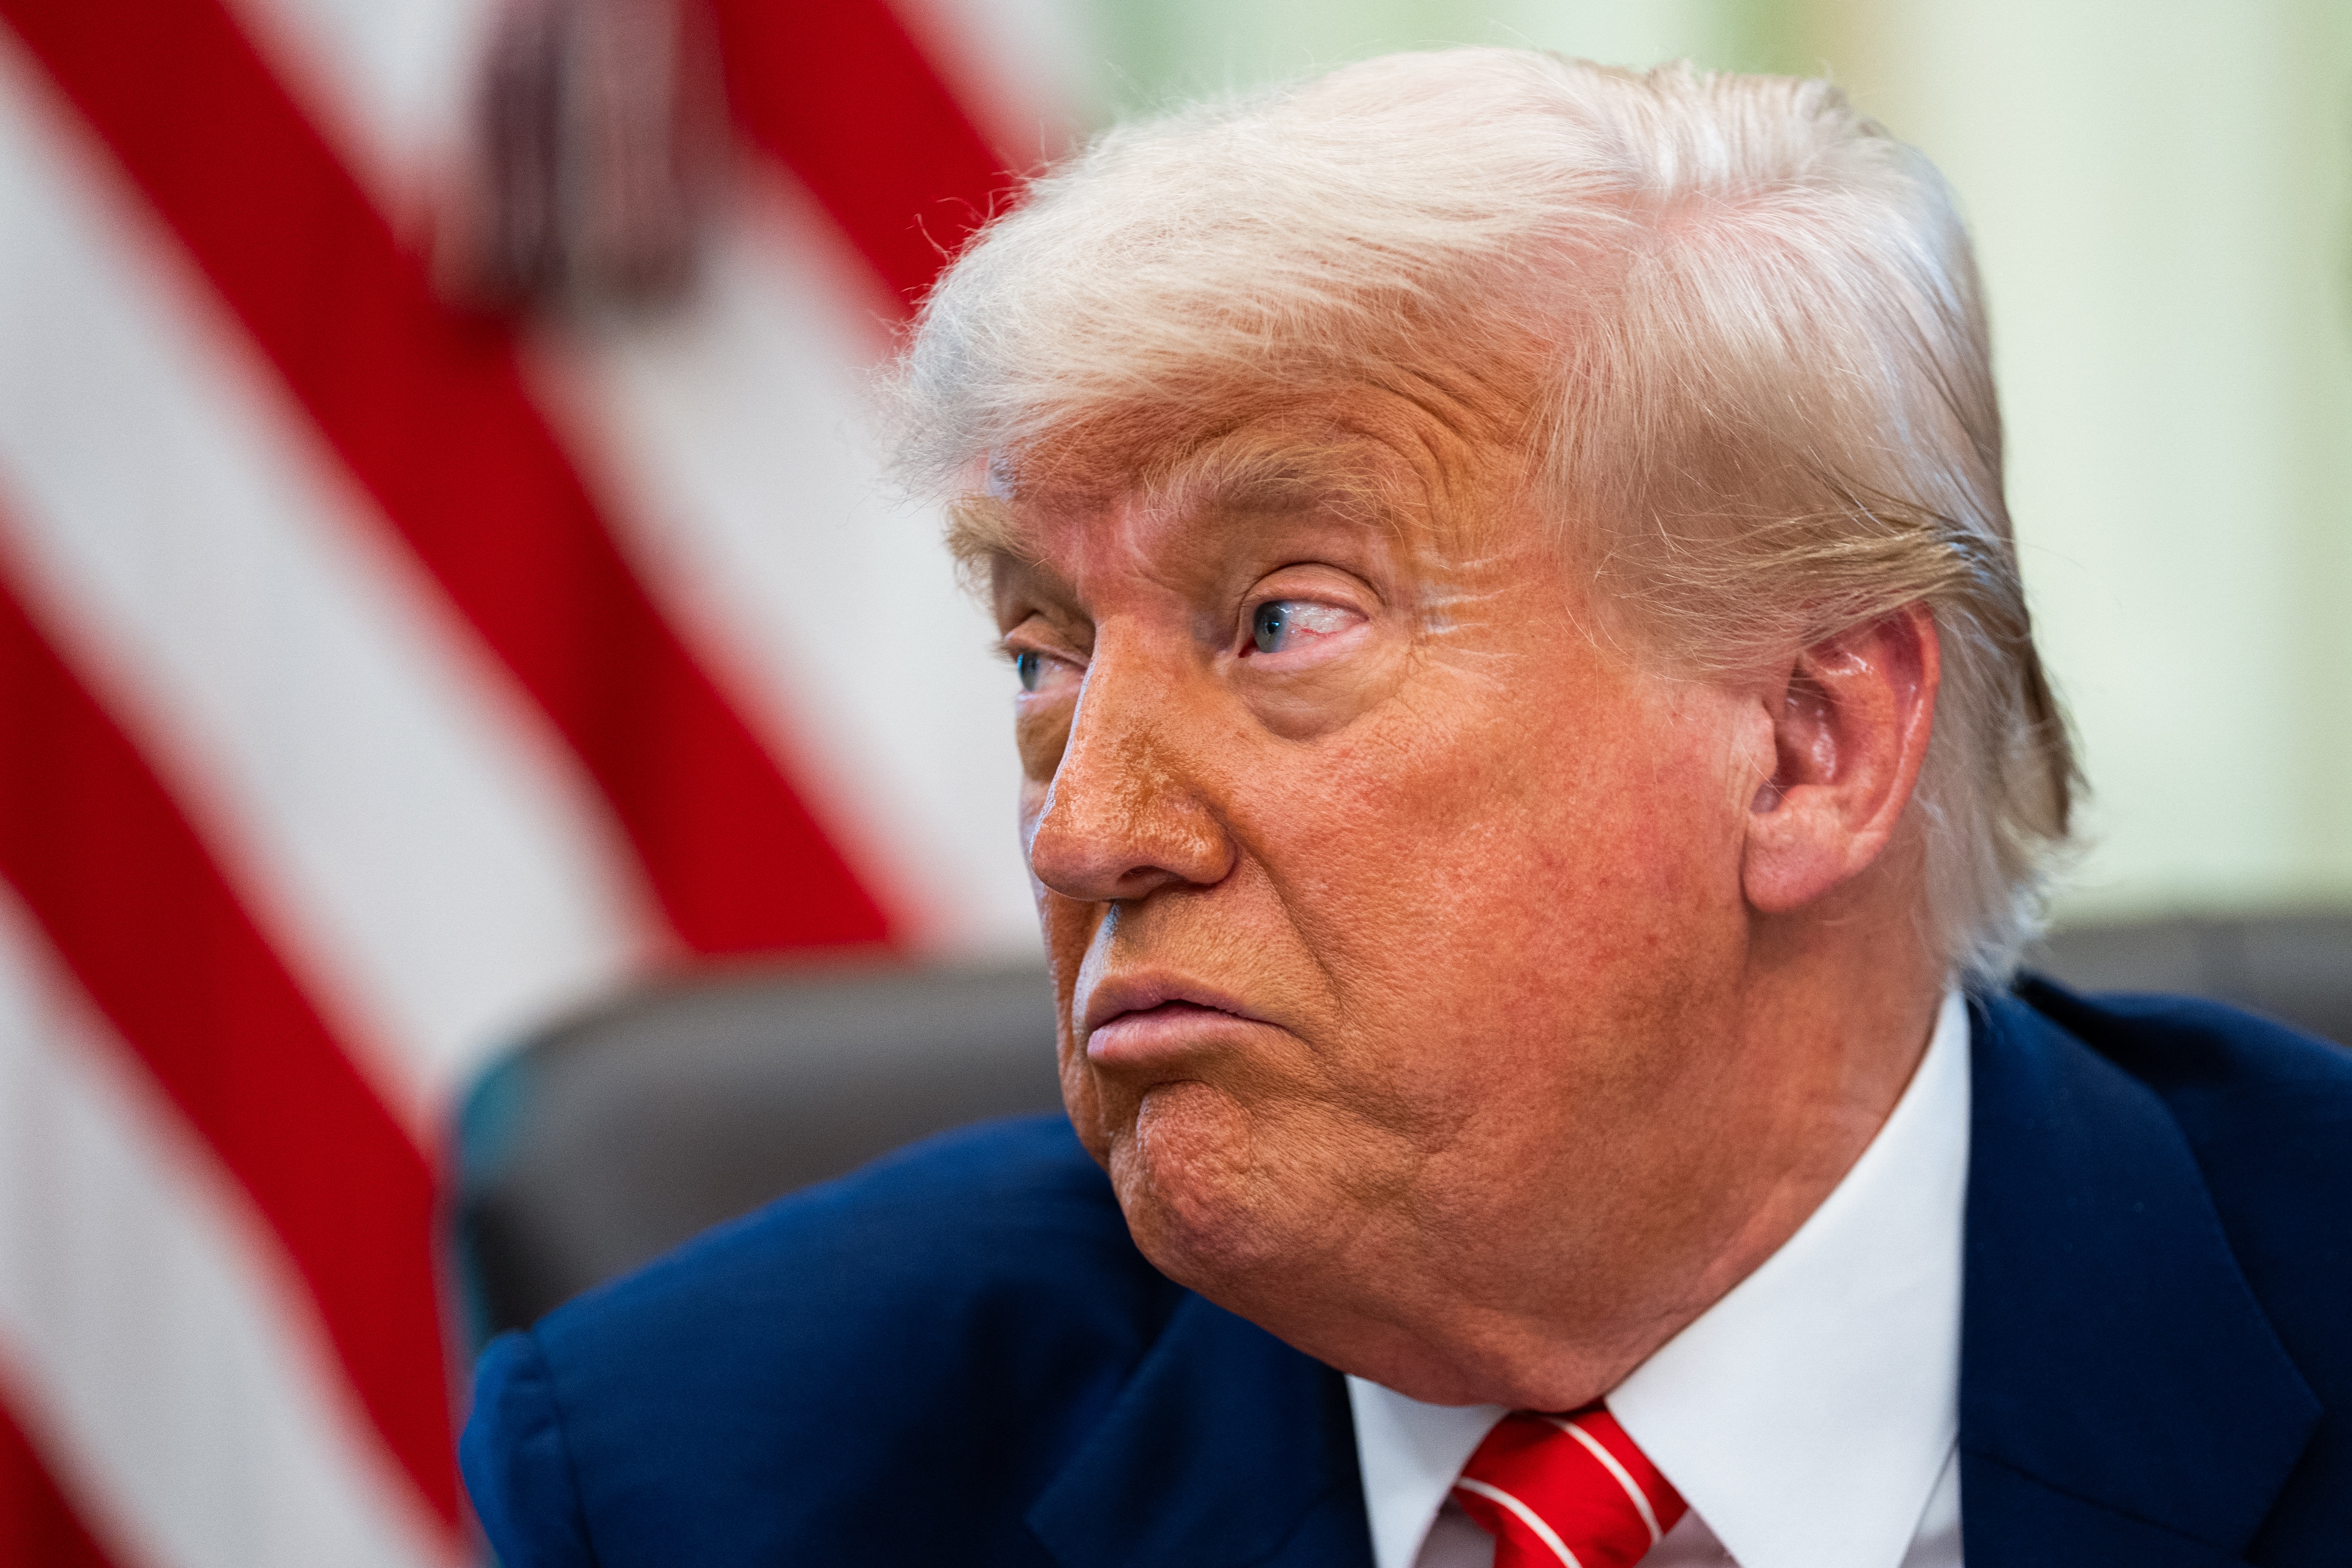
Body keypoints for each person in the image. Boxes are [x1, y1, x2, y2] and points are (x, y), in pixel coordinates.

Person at [460, 50, 2352, 1567]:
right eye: (1043, 654)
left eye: (1281, 619)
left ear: (1805, 745)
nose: (1083, 830)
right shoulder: (713, 1472)